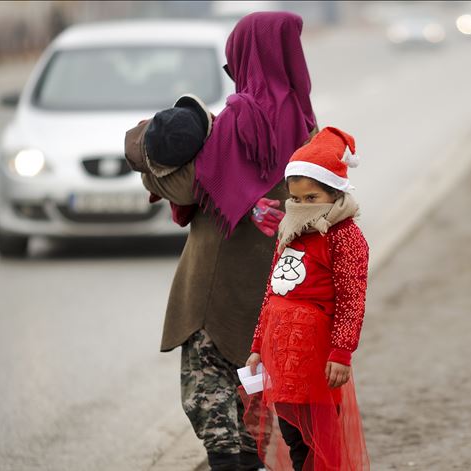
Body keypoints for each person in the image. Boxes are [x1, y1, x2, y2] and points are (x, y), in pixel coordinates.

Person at [139, 12, 317, 471]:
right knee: (256, 380)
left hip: (215, 283)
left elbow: (188, 187)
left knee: (207, 380)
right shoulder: (307, 127)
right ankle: (250, 459)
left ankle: (229, 461)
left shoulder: (238, 119)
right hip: (277, 285)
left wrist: (150, 141)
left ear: (244, 56)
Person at [244, 127, 370, 471]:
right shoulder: (290, 230)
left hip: (315, 361)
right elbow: (272, 291)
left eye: (311, 198)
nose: (300, 206)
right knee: (293, 436)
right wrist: (258, 344)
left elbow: (350, 298)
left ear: (335, 192)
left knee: (317, 443)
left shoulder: (345, 237)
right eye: (295, 199)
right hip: (281, 358)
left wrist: (341, 352)